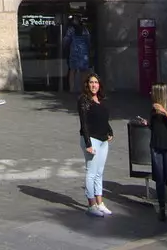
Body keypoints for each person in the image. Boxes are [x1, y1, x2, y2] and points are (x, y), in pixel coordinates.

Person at [138, 82, 167, 225]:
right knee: (160, 179)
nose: (150, 94)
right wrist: (147, 124)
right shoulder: (153, 109)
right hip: (156, 146)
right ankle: (162, 209)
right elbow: (155, 127)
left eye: (153, 92)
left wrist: (165, 112)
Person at [77, 71, 113, 217]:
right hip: (91, 139)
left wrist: (110, 132)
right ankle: (91, 204)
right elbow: (84, 123)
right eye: (91, 82)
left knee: (99, 172)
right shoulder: (83, 100)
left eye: (96, 82)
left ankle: (100, 202)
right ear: (87, 84)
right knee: (91, 172)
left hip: (103, 140)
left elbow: (104, 119)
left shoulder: (101, 99)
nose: (94, 85)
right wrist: (88, 144)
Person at [63, 16, 91, 93]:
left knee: (72, 70)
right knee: (84, 71)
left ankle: (71, 88)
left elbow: (66, 40)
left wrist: (65, 48)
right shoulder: (85, 30)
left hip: (74, 51)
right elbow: (88, 41)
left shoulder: (71, 30)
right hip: (84, 52)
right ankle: (84, 89)